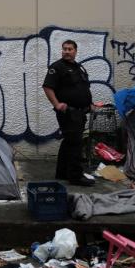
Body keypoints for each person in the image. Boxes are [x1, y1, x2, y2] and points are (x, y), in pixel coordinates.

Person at [43, 40, 94, 186]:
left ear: (75, 51)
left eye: (69, 49)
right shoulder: (57, 67)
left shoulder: (78, 67)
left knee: (69, 142)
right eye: (64, 49)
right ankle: (75, 176)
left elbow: (83, 88)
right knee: (75, 144)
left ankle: (62, 172)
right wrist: (56, 104)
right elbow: (47, 87)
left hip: (80, 112)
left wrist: (89, 104)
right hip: (69, 113)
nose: (66, 51)